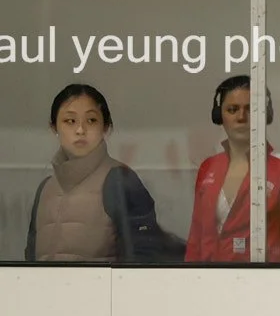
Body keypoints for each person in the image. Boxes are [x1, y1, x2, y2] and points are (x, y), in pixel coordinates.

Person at [25, 83, 181, 262]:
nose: (80, 130)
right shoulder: (45, 189)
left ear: (106, 127)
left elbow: (143, 259)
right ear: (54, 128)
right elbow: (30, 257)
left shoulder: (120, 180)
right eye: (70, 121)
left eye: (91, 120)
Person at [187, 75, 280, 263]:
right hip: (208, 278)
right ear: (219, 115)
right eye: (232, 109)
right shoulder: (208, 167)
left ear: (264, 115)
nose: (241, 117)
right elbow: (195, 240)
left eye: (251, 109)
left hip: (263, 279)